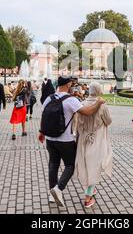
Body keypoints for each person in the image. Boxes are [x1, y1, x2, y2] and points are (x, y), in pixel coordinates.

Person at [38, 76, 105, 208]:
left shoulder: (48, 98)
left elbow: (44, 116)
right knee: (70, 165)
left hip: (50, 139)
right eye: (71, 84)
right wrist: (99, 102)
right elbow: (87, 111)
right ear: (68, 84)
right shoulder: (70, 100)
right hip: (65, 140)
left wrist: (41, 132)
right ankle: (58, 189)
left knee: (53, 164)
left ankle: (52, 194)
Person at [73, 82, 112, 208]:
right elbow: (109, 121)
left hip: (84, 140)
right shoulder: (102, 105)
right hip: (97, 140)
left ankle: (91, 189)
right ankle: (88, 198)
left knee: (87, 166)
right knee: (94, 168)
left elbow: (77, 123)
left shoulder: (82, 104)